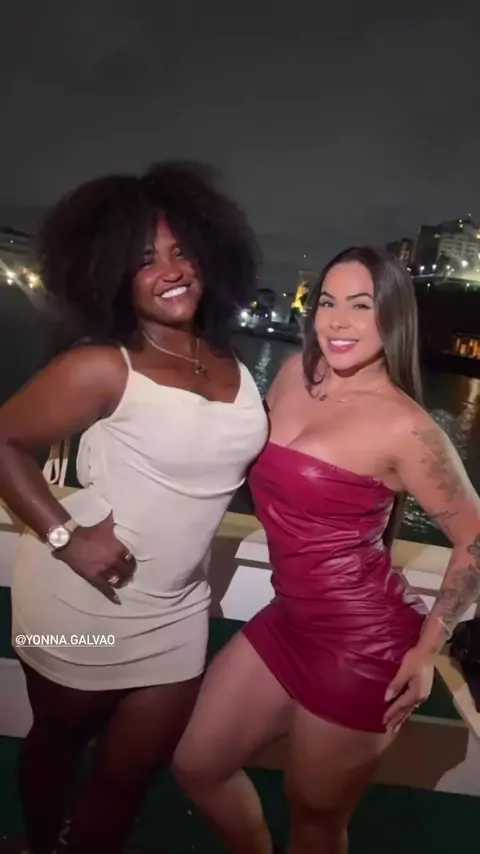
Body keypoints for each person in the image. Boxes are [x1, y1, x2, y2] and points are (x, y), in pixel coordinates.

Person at [173, 246, 480, 854]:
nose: (337, 322)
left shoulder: (408, 428)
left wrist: (427, 649)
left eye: (361, 306)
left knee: (314, 818)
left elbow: (475, 536)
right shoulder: (294, 373)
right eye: (328, 303)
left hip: (363, 649)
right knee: (196, 763)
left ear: (392, 317)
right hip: (288, 622)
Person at [0, 161, 268, 854]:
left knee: (130, 777)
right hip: (84, 612)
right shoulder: (102, 366)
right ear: (114, 274)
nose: (171, 271)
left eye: (182, 252)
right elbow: (4, 441)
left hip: (176, 615)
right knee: (57, 745)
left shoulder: (232, 362)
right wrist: (67, 538)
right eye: (146, 259)